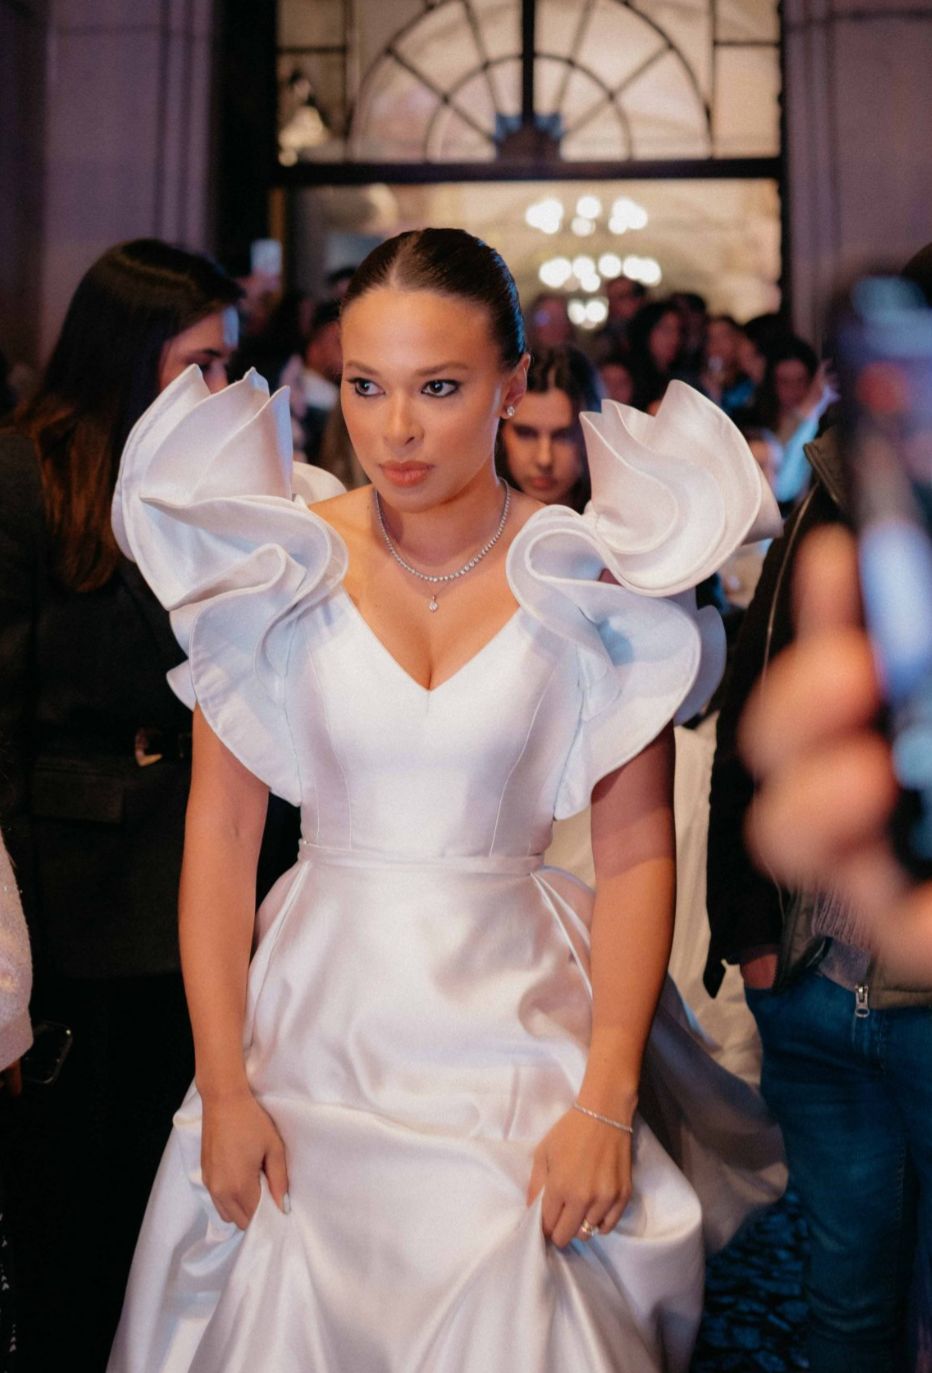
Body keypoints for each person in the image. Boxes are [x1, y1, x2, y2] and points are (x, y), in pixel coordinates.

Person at [106, 228, 783, 1373]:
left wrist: (604, 1098)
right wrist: (222, 1084)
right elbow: (217, 839)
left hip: (518, 1025)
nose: (395, 430)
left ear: (511, 384)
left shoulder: (586, 576)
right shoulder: (272, 562)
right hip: (312, 1027)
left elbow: (634, 856)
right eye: (366, 386)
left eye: (438, 387)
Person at [0, 237, 328, 1373]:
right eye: (199, 364)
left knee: (197, 1191)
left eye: (231, 363)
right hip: (81, 893)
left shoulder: (238, 485)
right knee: (79, 1198)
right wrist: (15, 950)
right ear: (127, 351)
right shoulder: (28, 476)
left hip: (224, 870)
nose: (220, 389)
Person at [497, 343, 601, 512]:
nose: (544, 459)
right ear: (499, 431)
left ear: (591, 436)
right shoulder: (470, 522)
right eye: (526, 434)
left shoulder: (622, 525)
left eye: (564, 436)